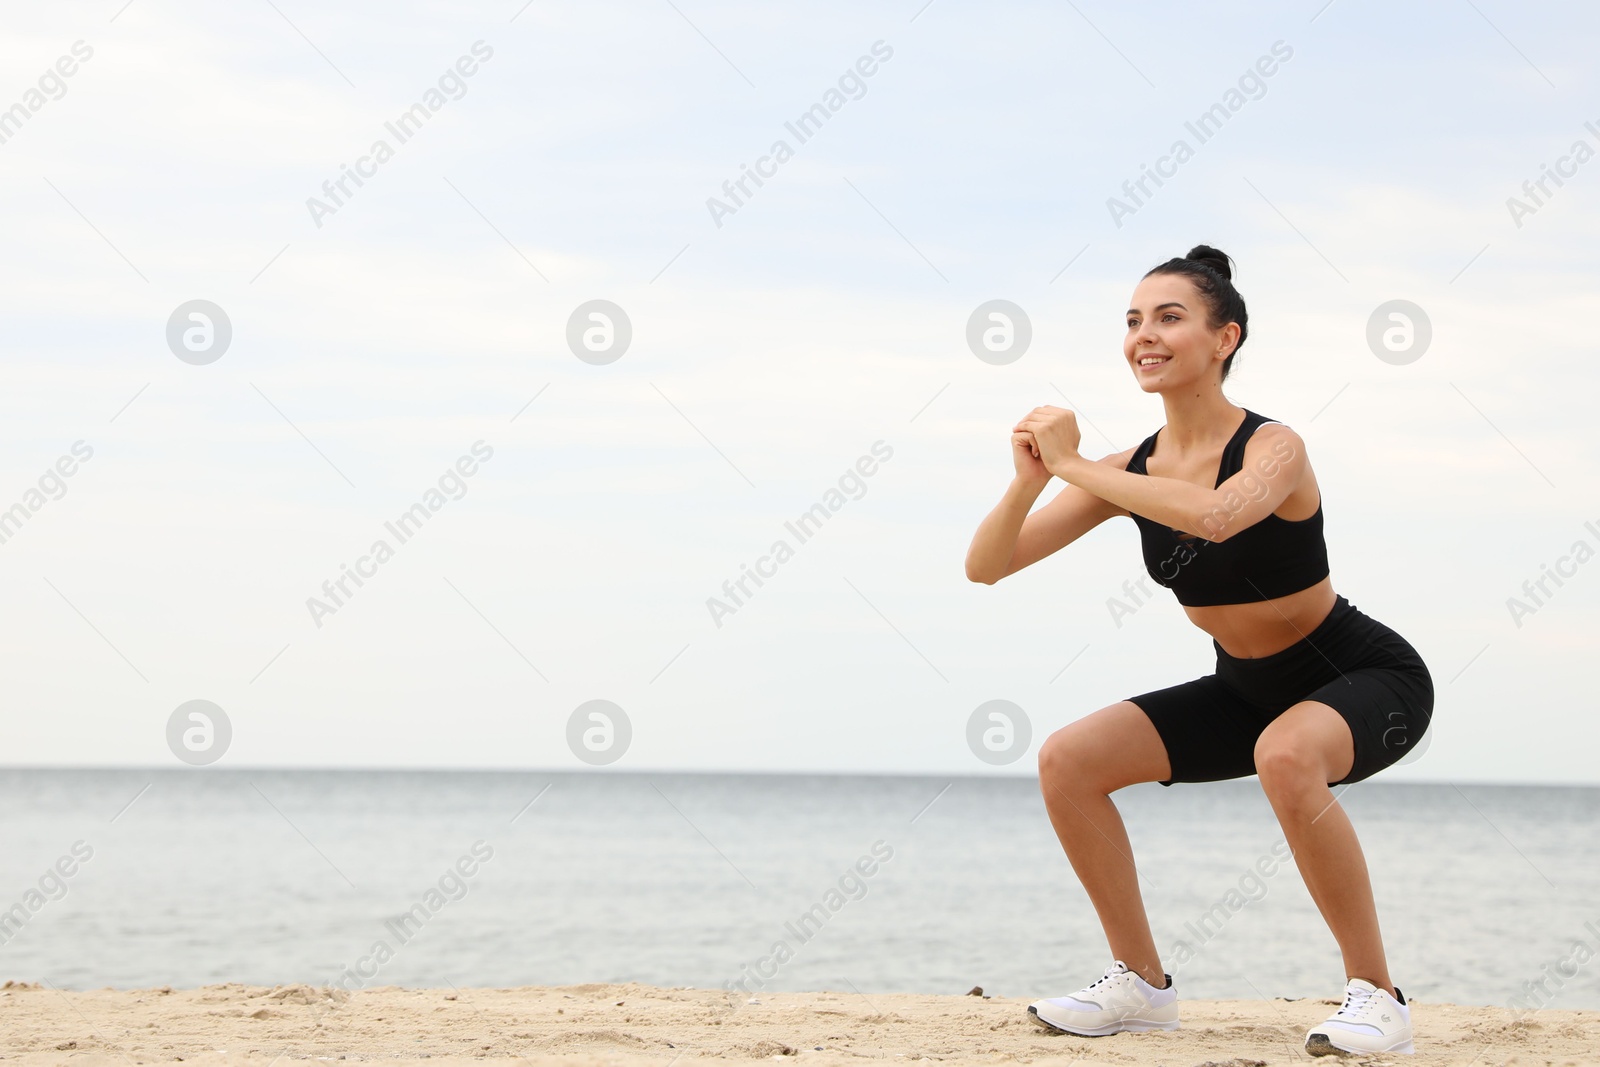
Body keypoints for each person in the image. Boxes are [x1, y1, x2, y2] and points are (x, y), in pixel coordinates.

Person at [963, 245, 1433, 1057]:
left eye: (1170, 317)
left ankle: (1377, 996)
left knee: (1284, 754)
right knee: (1069, 760)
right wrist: (1032, 479)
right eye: (1134, 320)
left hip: (1362, 675)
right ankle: (1142, 987)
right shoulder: (1128, 468)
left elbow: (1216, 515)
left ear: (1225, 338)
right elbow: (987, 566)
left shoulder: (1274, 446)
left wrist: (1076, 462)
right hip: (1244, 688)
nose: (1145, 334)